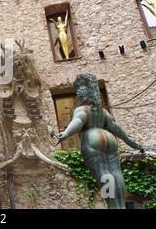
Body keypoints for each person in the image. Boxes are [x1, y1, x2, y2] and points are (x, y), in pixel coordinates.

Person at [57, 73, 144, 209]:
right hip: (110, 139)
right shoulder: (102, 111)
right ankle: (121, 206)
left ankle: (113, 206)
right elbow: (116, 128)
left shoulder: (82, 109)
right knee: (116, 173)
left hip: (92, 139)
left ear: (82, 95)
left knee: (104, 174)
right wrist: (133, 143)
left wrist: (66, 133)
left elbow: (78, 121)